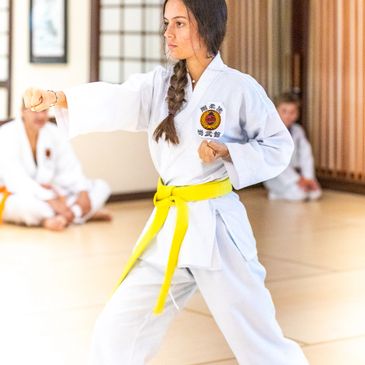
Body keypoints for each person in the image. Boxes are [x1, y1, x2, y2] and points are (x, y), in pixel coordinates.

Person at [23, 0, 309, 363]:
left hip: (218, 232)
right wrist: (58, 98)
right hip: (170, 230)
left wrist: (228, 152)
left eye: (178, 24)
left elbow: (277, 146)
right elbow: (117, 97)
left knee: (258, 338)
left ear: (205, 26)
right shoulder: (161, 85)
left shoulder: (240, 89)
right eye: (165, 23)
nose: (167, 33)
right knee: (118, 326)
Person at [0, 104, 112, 231]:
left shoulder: (54, 132)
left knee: (102, 187)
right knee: (28, 207)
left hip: (53, 193)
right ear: (22, 111)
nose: (41, 116)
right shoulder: (6, 134)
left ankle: (65, 217)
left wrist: (82, 191)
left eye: (44, 111)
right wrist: (49, 198)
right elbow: (16, 180)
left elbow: (70, 167)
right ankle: (80, 214)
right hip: (16, 194)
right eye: (35, 111)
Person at [264, 93, 322, 201]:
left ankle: (298, 186)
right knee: (300, 195)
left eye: (292, 112)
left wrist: (308, 177)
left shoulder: (298, 130)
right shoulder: (269, 132)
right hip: (278, 175)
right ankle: (275, 193)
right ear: (276, 111)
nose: (288, 116)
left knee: (316, 193)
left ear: (297, 114)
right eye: (284, 111)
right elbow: (275, 159)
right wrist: (297, 180)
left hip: (298, 173)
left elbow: (306, 155)